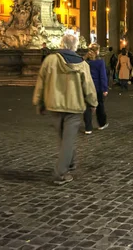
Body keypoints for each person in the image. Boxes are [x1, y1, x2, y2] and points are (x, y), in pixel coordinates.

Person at [33, 33, 98, 185]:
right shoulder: (82, 64)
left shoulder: (50, 60)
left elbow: (41, 81)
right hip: (74, 107)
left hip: (54, 104)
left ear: (61, 44)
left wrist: (39, 101)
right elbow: (88, 87)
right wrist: (93, 103)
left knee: (63, 138)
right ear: (75, 46)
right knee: (67, 140)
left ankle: (70, 162)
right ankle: (61, 173)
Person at [82, 44, 109, 134]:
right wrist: (105, 88)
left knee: (87, 107)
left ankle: (88, 128)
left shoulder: (85, 61)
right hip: (97, 87)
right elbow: (103, 76)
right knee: (100, 105)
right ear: (97, 51)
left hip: (87, 86)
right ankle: (101, 124)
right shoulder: (100, 62)